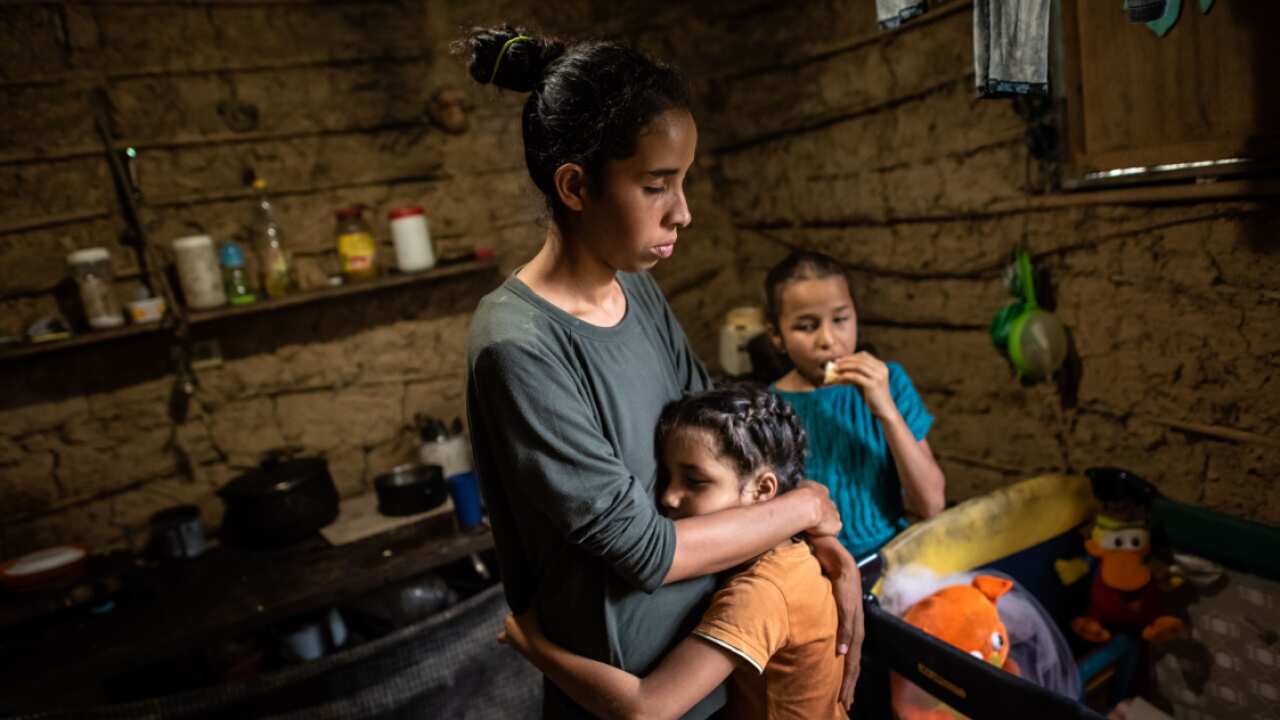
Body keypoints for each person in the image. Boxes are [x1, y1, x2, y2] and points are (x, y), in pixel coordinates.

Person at [461, 28, 861, 718]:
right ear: (576, 184)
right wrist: (805, 506)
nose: (683, 211)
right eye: (656, 186)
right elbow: (646, 551)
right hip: (624, 695)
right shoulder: (519, 346)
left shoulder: (635, 289)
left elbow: (730, 446)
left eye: (684, 181)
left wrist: (824, 543)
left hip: (707, 666)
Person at [500, 385, 848, 720]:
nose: (668, 497)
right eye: (667, 477)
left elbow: (646, 708)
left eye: (695, 481)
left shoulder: (761, 593)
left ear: (762, 489)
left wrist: (534, 646)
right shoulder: (791, 550)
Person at [766, 250, 946, 560]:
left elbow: (930, 504)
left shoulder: (891, 383)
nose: (828, 339)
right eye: (807, 326)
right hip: (808, 570)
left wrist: (886, 410)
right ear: (776, 335)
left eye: (840, 320)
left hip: (889, 557)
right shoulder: (768, 409)